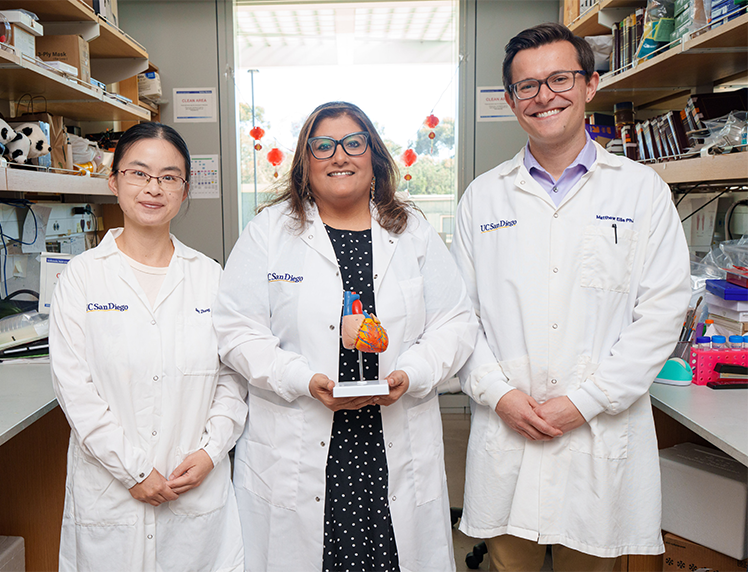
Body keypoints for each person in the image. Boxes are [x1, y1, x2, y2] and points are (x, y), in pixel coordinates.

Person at [451, 22, 691, 572]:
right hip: (508, 430)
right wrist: (502, 396)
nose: (544, 96)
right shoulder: (483, 198)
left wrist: (585, 401)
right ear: (511, 101)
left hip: (599, 435)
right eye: (527, 86)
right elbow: (460, 317)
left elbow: (661, 313)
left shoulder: (640, 190)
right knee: (511, 564)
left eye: (560, 78)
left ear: (590, 85)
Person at [214, 101, 476, 572]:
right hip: (302, 432)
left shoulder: (411, 230)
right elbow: (236, 329)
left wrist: (411, 374)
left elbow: (455, 322)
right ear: (305, 163)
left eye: (354, 143)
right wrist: (299, 377)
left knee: (389, 554)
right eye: (323, 145)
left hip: (390, 434)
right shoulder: (270, 232)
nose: (340, 155)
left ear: (374, 156)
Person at [49, 123, 247, 572]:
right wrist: (134, 471)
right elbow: (75, 390)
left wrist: (211, 452)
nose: (153, 189)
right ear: (114, 181)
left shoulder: (212, 278)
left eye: (169, 177)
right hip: (110, 495)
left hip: (194, 490)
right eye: (139, 173)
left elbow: (232, 379)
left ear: (184, 189)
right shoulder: (82, 277)